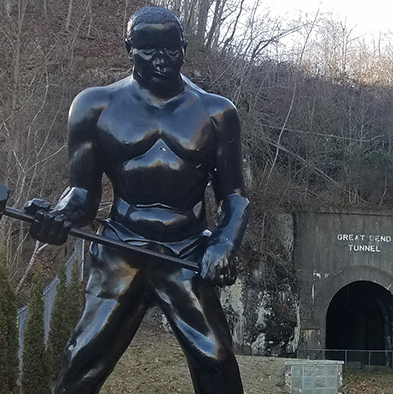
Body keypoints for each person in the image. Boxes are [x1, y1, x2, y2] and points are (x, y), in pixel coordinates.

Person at [29, 6, 248, 393]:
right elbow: (82, 194)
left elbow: (234, 197)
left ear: (184, 47)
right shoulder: (95, 106)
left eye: (171, 48)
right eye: (148, 49)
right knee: (82, 358)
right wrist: (59, 217)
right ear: (129, 48)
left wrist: (224, 243)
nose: (161, 59)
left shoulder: (216, 112)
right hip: (121, 247)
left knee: (217, 360)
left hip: (185, 251)